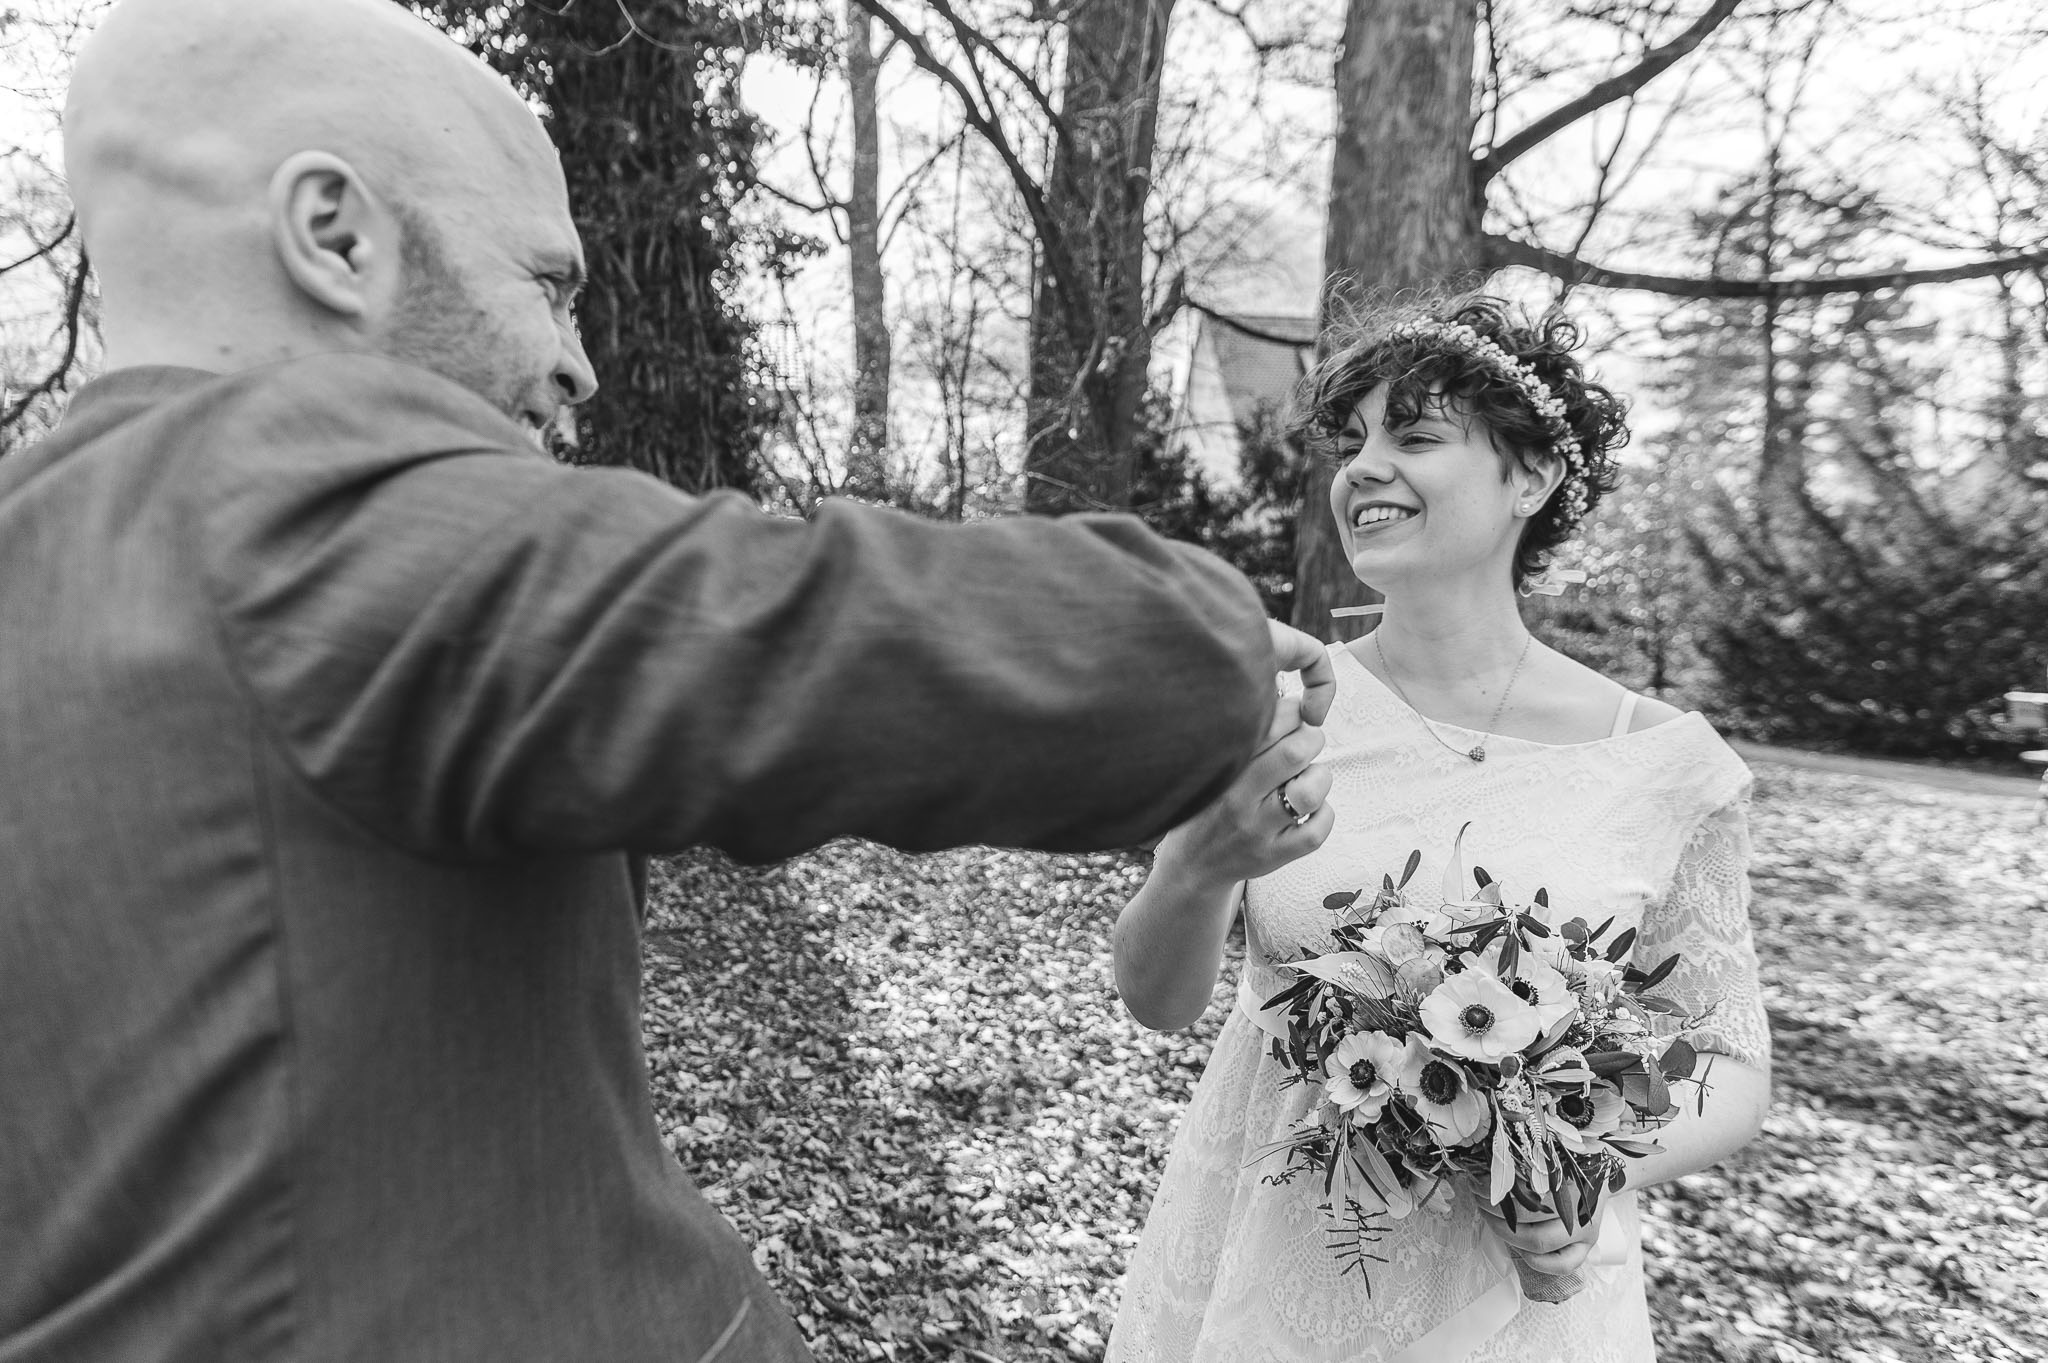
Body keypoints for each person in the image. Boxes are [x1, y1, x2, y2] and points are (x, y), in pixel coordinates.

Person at [0, 1, 1338, 1360]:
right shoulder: (305, 512)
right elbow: (813, 625)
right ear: (335, 237)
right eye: (548, 284)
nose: (578, 361)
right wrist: (1214, 651)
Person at [1106, 296, 1773, 1362]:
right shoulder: (1269, 703)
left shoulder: (1664, 767)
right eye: (1352, 440)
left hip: (1519, 1290)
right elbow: (1154, 997)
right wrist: (1192, 865)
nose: (1362, 467)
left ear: (1531, 478)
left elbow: (1725, 1063)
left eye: (1412, 436)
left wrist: (1574, 1159)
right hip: (1275, 1266)